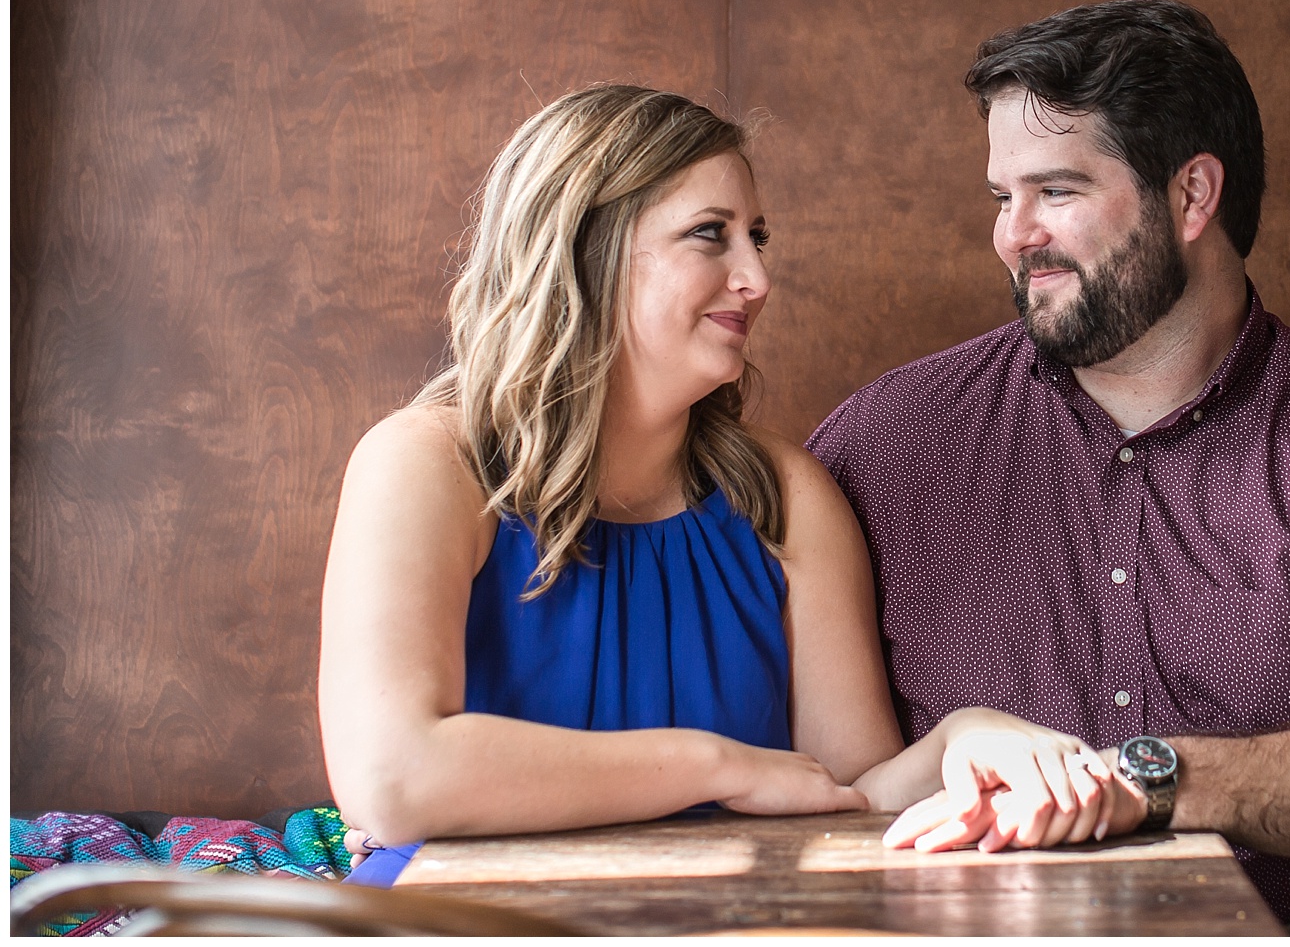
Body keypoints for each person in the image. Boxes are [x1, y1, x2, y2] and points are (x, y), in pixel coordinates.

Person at [807, 0, 1290, 935]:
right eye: (1002, 197)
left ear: (1192, 195)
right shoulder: (888, 441)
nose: (1013, 235)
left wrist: (1151, 782)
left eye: (1056, 192)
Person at [317, 86, 1115, 885]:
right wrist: (719, 766)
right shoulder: (425, 466)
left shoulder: (786, 497)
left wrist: (959, 741)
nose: (757, 278)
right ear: (584, 248)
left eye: (757, 238)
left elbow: (847, 804)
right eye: (711, 236)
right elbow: (392, 778)